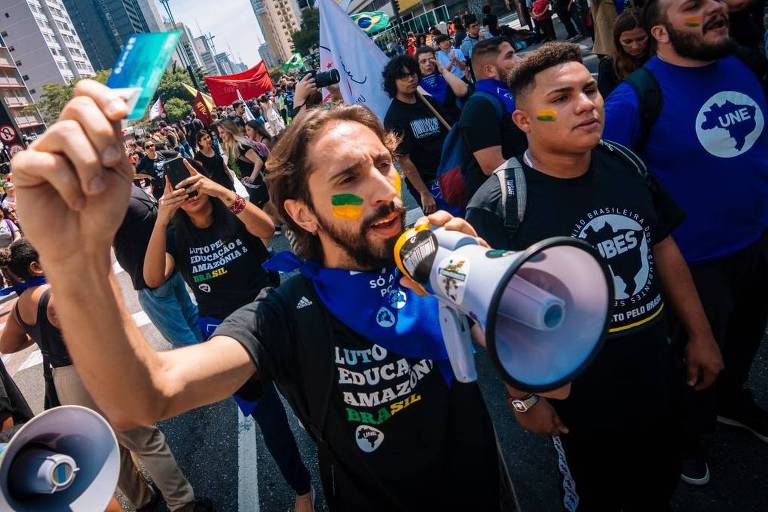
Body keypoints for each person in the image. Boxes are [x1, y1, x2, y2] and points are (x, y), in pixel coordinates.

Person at [8, 80, 579, 510]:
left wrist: (493, 285)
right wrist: (75, 259)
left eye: (384, 165)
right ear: (302, 213)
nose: (384, 189)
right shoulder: (282, 313)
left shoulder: (436, 265)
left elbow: (557, 377)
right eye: (348, 180)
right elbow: (146, 396)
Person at [466, 41, 723, 511]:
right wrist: (522, 398)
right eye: (560, 98)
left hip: (655, 371)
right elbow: (492, 319)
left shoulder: (626, 165)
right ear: (523, 121)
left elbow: (662, 246)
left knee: (658, 485)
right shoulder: (499, 206)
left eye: (590, 89)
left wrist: (700, 335)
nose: (586, 104)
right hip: (580, 399)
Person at [603, 0, 768, 486]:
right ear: (660, 31)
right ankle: (686, 437)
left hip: (757, 243)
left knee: (744, 341)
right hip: (693, 267)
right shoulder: (633, 101)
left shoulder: (746, 64)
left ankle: (732, 403)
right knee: (694, 360)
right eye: (694, 5)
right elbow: (614, 191)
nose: (715, 8)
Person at [142, 156, 314, 512]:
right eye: (180, 186)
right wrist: (161, 219)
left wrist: (220, 191)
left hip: (272, 318)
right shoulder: (176, 236)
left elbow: (267, 229)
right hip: (227, 340)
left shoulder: (233, 213)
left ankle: (338, 461)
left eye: (193, 183)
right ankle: (302, 490)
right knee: (271, 422)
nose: (188, 192)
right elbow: (153, 278)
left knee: (310, 398)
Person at [0, 239, 210, 512]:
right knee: (146, 440)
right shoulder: (55, 295)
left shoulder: (21, 306)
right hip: (94, 371)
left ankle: (143, 502)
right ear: (36, 266)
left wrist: (41, 336)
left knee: (107, 445)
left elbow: (8, 345)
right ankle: (183, 504)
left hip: (64, 379)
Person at [458, 37, 528, 201]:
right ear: (489, 70)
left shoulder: (513, 94)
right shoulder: (479, 107)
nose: (519, 60)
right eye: (510, 56)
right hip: (507, 201)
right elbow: (493, 166)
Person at [383, 55, 448, 214]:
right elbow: (405, 161)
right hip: (429, 184)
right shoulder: (394, 117)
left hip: (450, 173)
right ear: (393, 82)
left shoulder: (429, 103)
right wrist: (424, 193)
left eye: (412, 73)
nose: (410, 79)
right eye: (403, 76)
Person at [597, 10, 651, 97]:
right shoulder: (608, 65)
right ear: (618, 41)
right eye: (628, 41)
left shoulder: (661, 57)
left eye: (641, 39)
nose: (635, 46)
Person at [217, 119, 270, 207]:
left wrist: (252, 178)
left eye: (222, 132)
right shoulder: (231, 148)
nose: (220, 136)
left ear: (230, 131)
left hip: (258, 187)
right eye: (219, 133)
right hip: (251, 189)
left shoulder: (240, 146)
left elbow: (258, 162)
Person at [416, 45, 471, 120]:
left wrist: (443, 70)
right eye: (423, 61)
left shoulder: (445, 76)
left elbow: (463, 91)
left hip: (456, 121)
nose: (428, 63)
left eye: (431, 59)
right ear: (417, 64)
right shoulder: (416, 83)